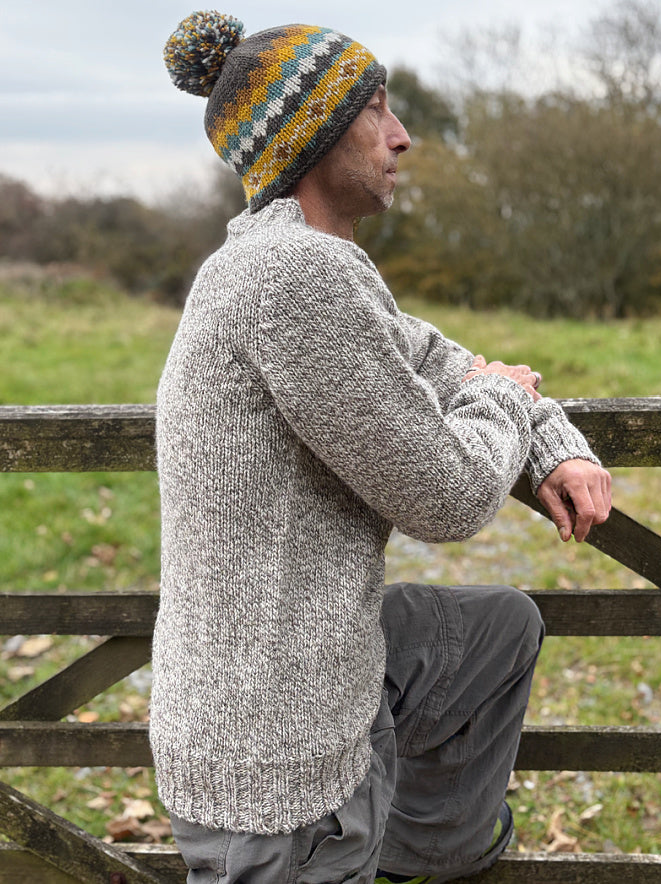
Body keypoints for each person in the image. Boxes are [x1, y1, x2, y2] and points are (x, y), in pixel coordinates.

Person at [150, 11, 612, 884]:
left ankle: (428, 855)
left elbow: (444, 362)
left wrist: (554, 443)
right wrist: (506, 403)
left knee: (495, 629)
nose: (401, 137)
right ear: (315, 135)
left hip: (296, 679)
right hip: (277, 772)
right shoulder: (291, 279)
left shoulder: (303, 263)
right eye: (376, 110)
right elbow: (448, 498)